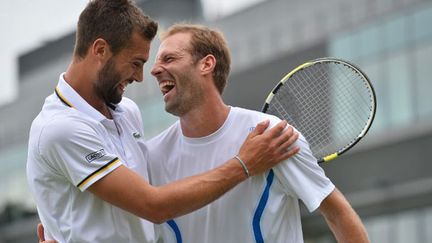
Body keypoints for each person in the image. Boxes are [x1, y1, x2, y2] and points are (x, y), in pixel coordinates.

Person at [26, 1, 300, 242]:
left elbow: (143, 212)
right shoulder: (60, 128)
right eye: (135, 63)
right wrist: (245, 164)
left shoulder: (128, 111)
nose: (140, 77)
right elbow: (153, 205)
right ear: (100, 50)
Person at [146, 24, 370, 243]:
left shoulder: (274, 136)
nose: (154, 70)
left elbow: (337, 213)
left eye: (169, 59)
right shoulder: (151, 155)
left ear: (207, 64)